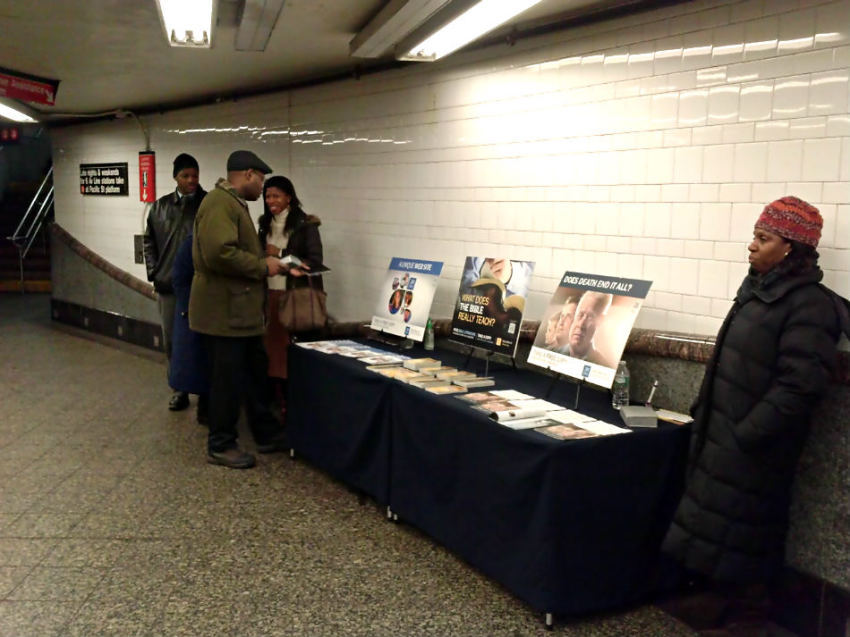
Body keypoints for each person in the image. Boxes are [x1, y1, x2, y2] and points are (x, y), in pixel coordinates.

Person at [661, 197, 850, 637]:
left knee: (749, 533)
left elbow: (800, 385)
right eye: (755, 236)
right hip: (726, 433)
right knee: (720, 528)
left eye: (763, 238)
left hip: (757, 447)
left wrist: (747, 435)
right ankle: (720, 604)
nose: (751, 246)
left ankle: (748, 617)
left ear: (790, 247)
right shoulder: (761, 289)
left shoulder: (809, 306)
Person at [188, 150, 286, 469]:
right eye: (261, 179)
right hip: (224, 313)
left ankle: (266, 433)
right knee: (226, 381)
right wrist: (262, 266)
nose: (262, 187)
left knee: (255, 373)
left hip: (239, 313)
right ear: (247, 174)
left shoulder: (233, 204)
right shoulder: (220, 202)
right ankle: (220, 444)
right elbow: (219, 253)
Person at [143, 153, 207, 413]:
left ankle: (205, 388)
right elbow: (148, 241)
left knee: (202, 339)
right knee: (172, 340)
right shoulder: (159, 207)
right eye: (185, 176)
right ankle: (178, 389)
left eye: (195, 175)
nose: (191, 180)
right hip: (168, 286)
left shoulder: (207, 204)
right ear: (175, 178)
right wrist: (154, 272)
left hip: (200, 285)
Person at [258, 175, 324, 421]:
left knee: (289, 353)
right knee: (270, 353)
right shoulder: (264, 224)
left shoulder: (306, 225)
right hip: (268, 296)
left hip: (294, 298)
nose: (271, 200)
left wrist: (281, 254)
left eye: (276, 195)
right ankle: (275, 403)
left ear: (288, 197)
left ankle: (293, 404)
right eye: (267, 196)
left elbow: (314, 263)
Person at [168, 233, 209, 424]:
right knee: (196, 362)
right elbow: (179, 276)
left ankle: (207, 405)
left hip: (213, 311)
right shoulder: (192, 243)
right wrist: (188, 307)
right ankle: (197, 401)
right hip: (194, 311)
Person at [566, 291, 613, 365]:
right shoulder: (552, 351)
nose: (581, 325)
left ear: (600, 321)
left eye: (590, 317)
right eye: (580, 314)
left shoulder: (603, 366)